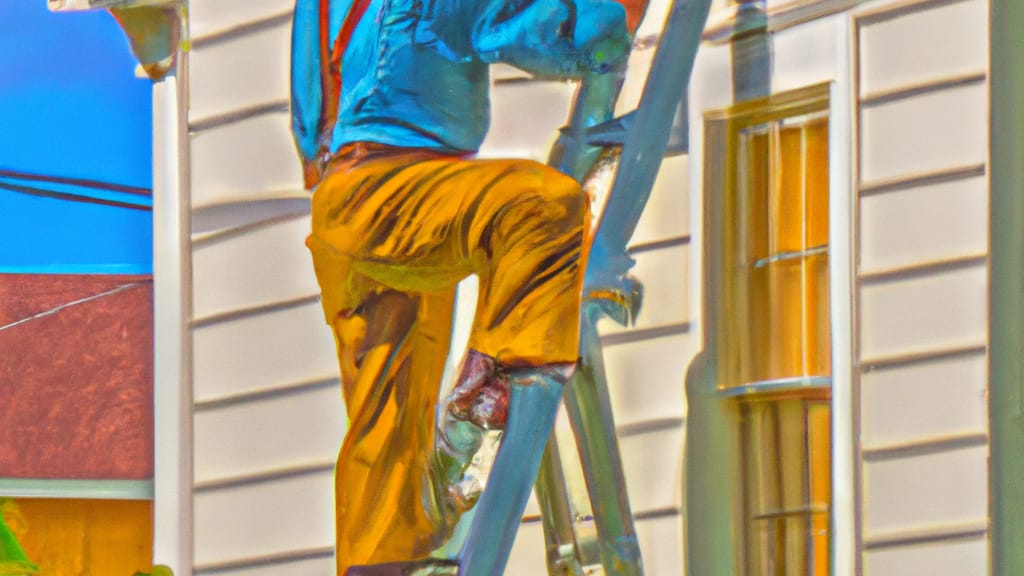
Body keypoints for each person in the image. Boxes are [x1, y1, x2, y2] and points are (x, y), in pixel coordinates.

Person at [291, 0, 640, 573]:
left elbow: (310, 98)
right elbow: (535, 33)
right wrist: (614, 18)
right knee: (543, 206)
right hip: (398, 191)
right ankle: (481, 397)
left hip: (342, 202)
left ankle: (381, 564)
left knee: (388, 424)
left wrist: (320, 149)